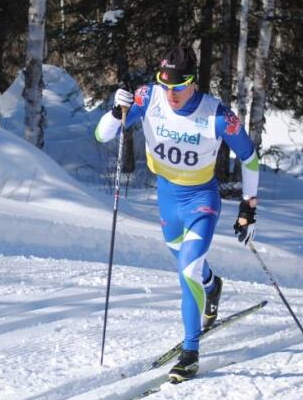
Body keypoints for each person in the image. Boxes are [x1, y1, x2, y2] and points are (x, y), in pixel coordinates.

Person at [94, 46, 259, 382]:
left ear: (193, 82)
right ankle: (212, 286)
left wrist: (247, 208)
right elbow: (102, 135)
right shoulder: (148, 97)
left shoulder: (217, 116)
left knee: (187, 272)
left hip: (202, 199)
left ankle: (190, 352)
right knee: (191, 267)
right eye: (166, 85)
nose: (171, 93)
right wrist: (116, 111)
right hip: (168, 198)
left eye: (179, 86)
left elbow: (250, 158)